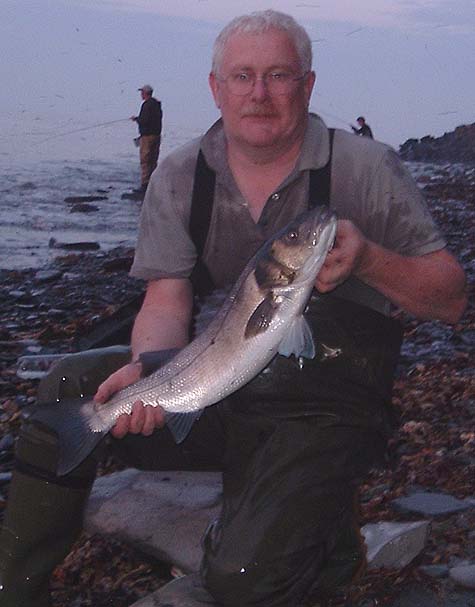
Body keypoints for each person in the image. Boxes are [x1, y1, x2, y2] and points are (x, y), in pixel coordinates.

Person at [0, 10, 467, 607]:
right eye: (242, 76)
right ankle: (15, 592)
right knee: (69, 387)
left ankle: (321, 529)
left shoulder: (367, 167)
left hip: (326, 410)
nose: (260, 93)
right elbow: (167, 298)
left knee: (241, 580)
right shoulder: (178, 175)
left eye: (279, 75)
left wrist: (371, 259)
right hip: (213, 389)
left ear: (308, 84)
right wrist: (147, 373)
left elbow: (451, 297)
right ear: (216, 88)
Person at [131, 84, 163, 195]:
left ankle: (145, 186)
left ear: (145, 93)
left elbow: (144, 120)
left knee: (145, 161)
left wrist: (137, 119)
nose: (141, 94)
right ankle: (152, 185)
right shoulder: (157, 105)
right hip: (156, 136)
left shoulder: (146, 105)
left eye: (142, 92)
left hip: (147, 137)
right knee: (153, 161)